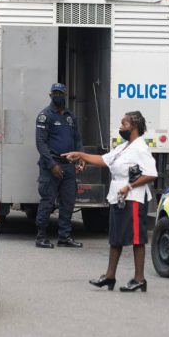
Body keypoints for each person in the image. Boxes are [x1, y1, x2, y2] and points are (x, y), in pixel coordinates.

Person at [63, 111, 157, 292]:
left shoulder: (140, 148)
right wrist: (80, 155)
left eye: (125, 124)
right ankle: (109, 276)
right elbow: (103, 160)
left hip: (134, 198)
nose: (121, 127)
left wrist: (129, 186)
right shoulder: (124, 147)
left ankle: (139, 279)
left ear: (135, 127)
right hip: (118, 197)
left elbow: (151, 174)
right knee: (115, 237)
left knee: (137, 239)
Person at [34, 82, 84, 249]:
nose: (58, 96)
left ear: (65, 95)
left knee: (68, 202)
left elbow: (77, 139)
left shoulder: (70, 116)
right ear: (50, 95)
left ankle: (64, 236)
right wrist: (52, 164)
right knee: (47, 201)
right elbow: (41, 143)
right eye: (55, 93)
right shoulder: (45, 115)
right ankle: (41, 236)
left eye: (61, 94)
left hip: (68, 166)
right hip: (51, 166)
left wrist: (81, 156)